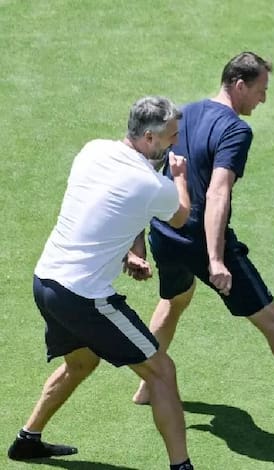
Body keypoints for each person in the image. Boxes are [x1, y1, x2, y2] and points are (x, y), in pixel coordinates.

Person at [129, 52, 274, 435]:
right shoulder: (236, 130)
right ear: (239, 85)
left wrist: (139, 241)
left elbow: (149, 173)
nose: (263, 100)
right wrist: (217, 258)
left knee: (175, 299)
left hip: (165, 232)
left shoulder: (183, 114)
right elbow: (218, 193)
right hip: (201, 239)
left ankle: (146, 384)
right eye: (260, 90)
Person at [8, 97, 195, 469]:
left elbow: (106, 209)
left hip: (46, 280)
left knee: (80, 363)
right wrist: (179, 178)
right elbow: (179, 217)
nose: (175, 143)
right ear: (148, 138)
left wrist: (129, 253)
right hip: (83, 297)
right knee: (161, 370)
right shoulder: (153, 183)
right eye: (171, 137)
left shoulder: (93, 150)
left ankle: (27, 441)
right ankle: (182, 466)